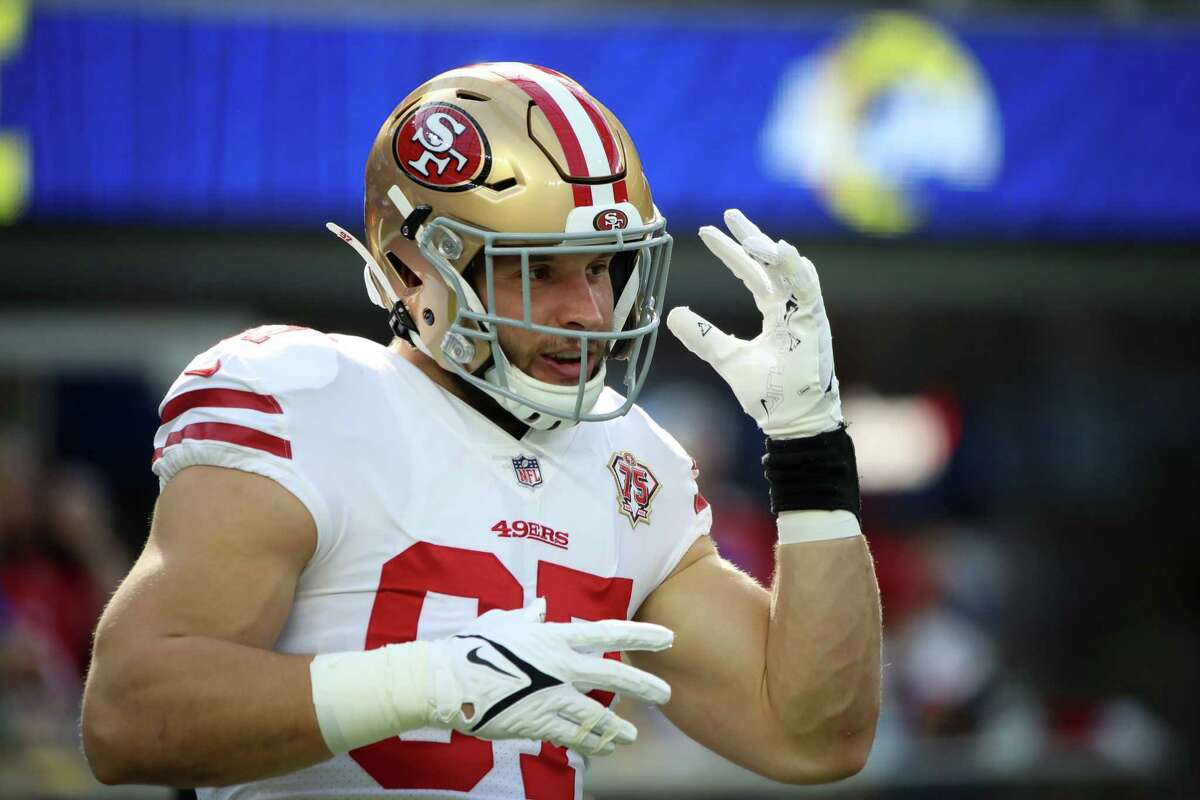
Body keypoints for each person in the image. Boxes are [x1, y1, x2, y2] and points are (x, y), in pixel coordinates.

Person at [81, 62, 881, 798]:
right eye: (541, 269)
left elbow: (812, 737)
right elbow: (125, 718)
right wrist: (425, 685)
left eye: (601, 266)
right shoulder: (304, 397)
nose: (590, 311)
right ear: (415, 267)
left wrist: (809, 446)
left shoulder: (629, 464)